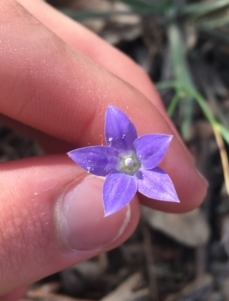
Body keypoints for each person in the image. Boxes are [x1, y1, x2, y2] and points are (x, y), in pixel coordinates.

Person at [0, 0, 208, 299]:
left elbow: (160, 148)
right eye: (128, 161)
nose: (127, 161)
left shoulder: (150, 158)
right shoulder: (109, 156)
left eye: (130, 161)